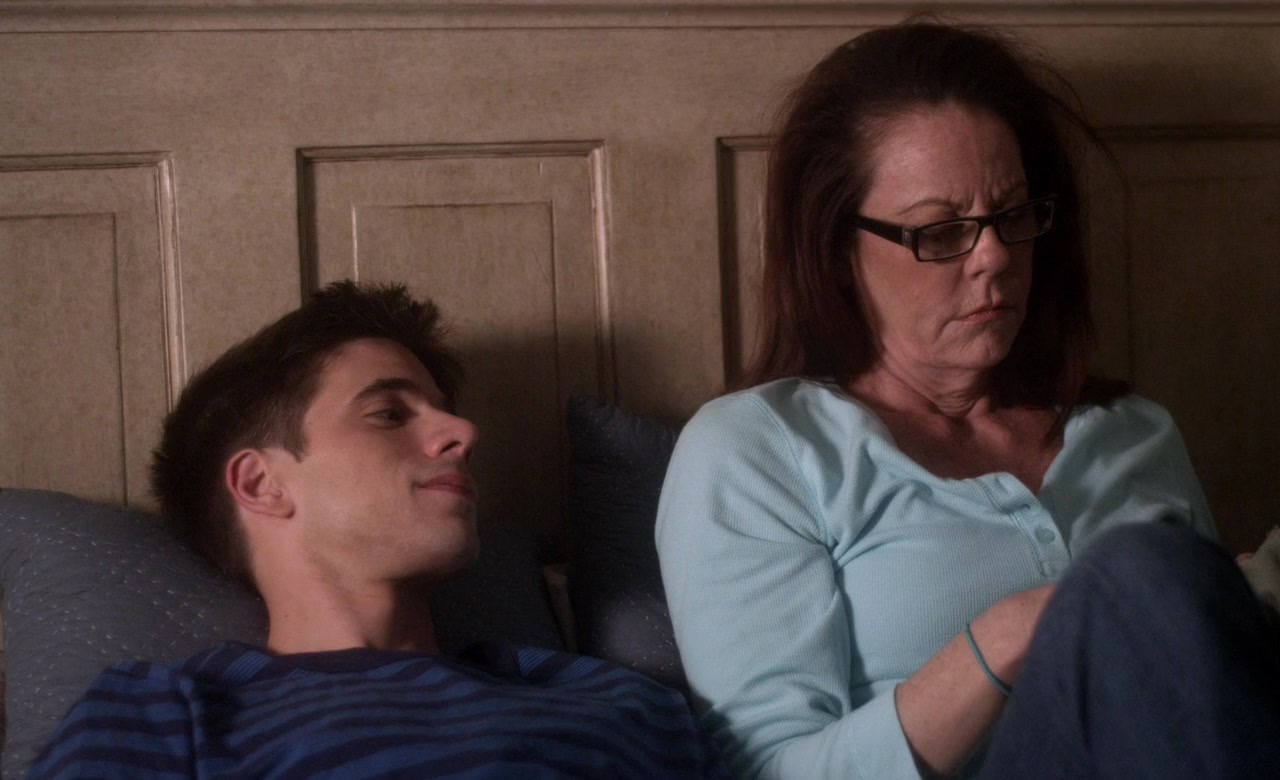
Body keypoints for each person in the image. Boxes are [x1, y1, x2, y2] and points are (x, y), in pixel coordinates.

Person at [655, 20, 1280, 780]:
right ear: (837, 250)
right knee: (1139, 570)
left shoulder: (1136, 431)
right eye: (941, 231)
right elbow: (772, 770)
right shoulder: (759, 450)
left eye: (1012, 216)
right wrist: (1015, 635)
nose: (994, 257)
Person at [29, 281, 727, 779]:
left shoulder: (611, 701)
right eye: (389, 415)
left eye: (445, 412)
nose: (463, 433)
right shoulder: (161, 714)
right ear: (262, 484)